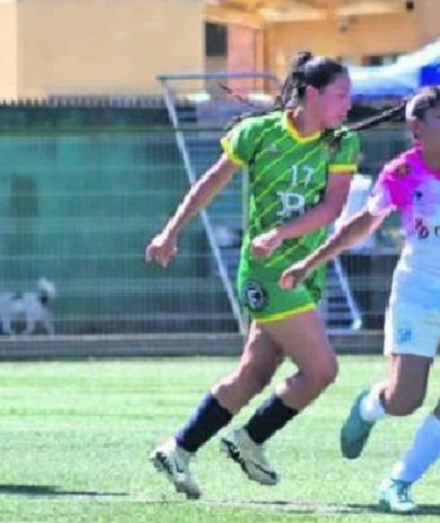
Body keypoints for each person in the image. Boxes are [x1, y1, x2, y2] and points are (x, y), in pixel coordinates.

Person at [280, 85, 440, 513]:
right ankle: (368, 407)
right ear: (416, 127)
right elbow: (363, 223)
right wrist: (310, 262)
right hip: (419, 296)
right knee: (404, 401)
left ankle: (398, 483)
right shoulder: (401, 174)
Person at [144, 51, 366, 499]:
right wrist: (171, 231)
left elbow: (332, 209)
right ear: (311, 93)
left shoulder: (341, 142)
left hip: (306, 268)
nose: (348, 105)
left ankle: (179, 448)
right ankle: (250, 439)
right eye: (341, 95)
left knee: (255, 373)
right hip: (268, 272)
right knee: (321, 370)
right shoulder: (258, 133)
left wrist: (284, 234)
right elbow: (209, 182)